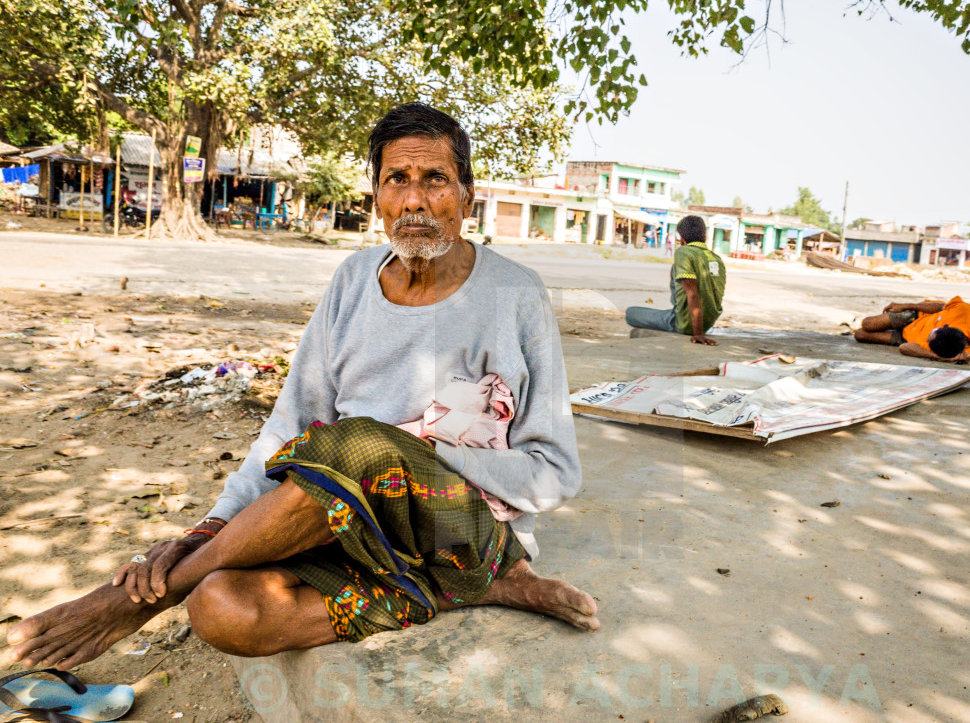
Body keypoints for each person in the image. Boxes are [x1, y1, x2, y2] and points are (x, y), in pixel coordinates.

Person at [5, 103, 598, 671]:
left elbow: (555, 472)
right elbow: (291, 423)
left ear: (467, 196)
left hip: (462, 530)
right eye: (397, 179)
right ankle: (461, 593)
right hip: (352, 526)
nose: (415, 199)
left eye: (435, 178)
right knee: (220, 607)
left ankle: (141, 602)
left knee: (358, 446)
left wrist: (413, 454)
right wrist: (207, 530)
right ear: (376, 197)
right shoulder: (351, 281)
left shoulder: (516, 295)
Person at [624, 215, 726, 346]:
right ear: (704, 236)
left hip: (684, 322)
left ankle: (682, 320)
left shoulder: (684, 252)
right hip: (707, 323)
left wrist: (698, 334)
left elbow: (693, 294)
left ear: (682, 239)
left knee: (631, 313)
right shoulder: (716, 258)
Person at [853, 296, 970, 363]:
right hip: (915, 318)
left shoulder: (951, 349)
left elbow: (904, 347)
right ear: (945, 327)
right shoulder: (963, 311)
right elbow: (940, 306)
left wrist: (938, 356)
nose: (928, 336)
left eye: (929, 340)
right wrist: (906, 306)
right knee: (868, 324)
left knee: (860, 335)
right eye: (932, 333)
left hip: (907, 338)